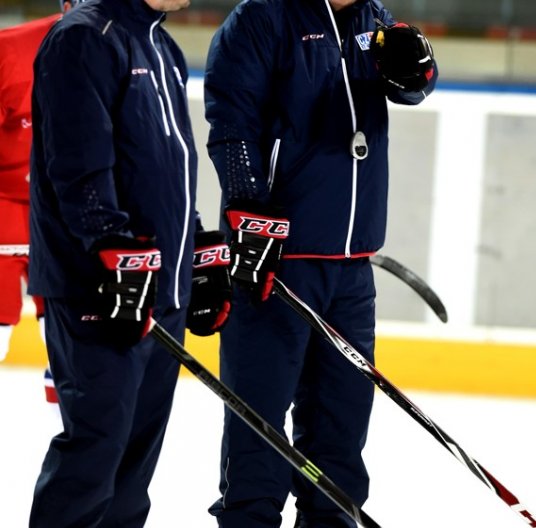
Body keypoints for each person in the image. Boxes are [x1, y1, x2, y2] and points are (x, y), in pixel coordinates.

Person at [204, 0, 438, 526]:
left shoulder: (375, 19)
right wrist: (249, 210)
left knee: (340, 432)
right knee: (258, 431)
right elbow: (231, 119)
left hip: (351, 266)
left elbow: (413, 86)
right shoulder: (263, 18)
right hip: (279, 260)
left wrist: (418, 72)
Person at [27, 0, 231, 525]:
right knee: (96, 452)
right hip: (101, 285)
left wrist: (196, 251)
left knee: (134, 464)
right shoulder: (83, 39)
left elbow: (166, 172)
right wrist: (112, 249)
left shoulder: (162, 45)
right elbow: (77, 165)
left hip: (158, 289)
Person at [0, 0, 80, 403]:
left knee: (70, 338)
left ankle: (78, 453)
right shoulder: (10, 51)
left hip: (73, 211)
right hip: (8, 203)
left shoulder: (131, 51)